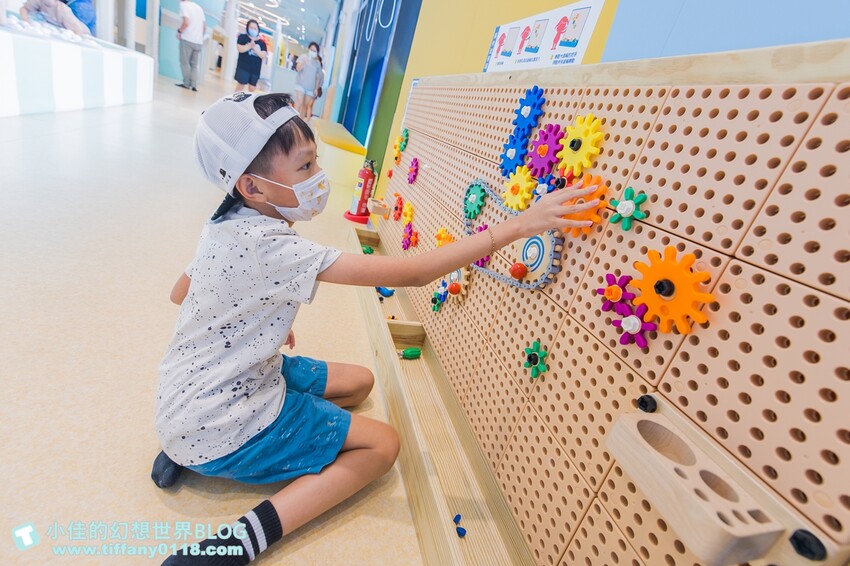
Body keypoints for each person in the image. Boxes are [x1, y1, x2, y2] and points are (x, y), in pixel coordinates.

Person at [152, 91, 600, 565]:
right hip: (224, 414)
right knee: (383, 445)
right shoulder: (275, 248)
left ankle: (187, 448)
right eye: (305, 168)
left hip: (183, 398)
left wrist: (259, 317)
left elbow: (182, 294)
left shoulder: (223, 221)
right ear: (253, 187)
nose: (318, 178)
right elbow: (412, 273)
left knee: (360, 382)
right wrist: (518, 225)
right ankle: (237, 543)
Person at [175, 0, 205, 92]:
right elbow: (204, 27)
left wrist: (179, 31)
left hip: (187, 39)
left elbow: (186, 22)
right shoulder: (199, 8)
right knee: (194, 65)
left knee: (184, 62)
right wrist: (198, 37)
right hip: (198, 41)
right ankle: (194, 85)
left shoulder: (184, 5)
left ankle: (186, 83)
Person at [19, 0, 90, 36]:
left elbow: (78, 31)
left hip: (83, 32)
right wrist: (25, 22)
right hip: (61, 28)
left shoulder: (63, 10)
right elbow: (24, 9)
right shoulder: (38, 1)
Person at [234, 20, 267, 92]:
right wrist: (249, 46)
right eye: (251, 28)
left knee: (252, 89)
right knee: (240, 86)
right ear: (247, 28)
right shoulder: (242, 37)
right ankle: (234, 101)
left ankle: (248, 102)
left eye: (255, 28)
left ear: (258, 30)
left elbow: (263, 55)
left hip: (255, 70)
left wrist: (255, 49)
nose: (253, 30)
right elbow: (240, 49)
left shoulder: (262, 43)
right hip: (243, 67)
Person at [294, 42, 322, 120]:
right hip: (300, 84)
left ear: (317, 53)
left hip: (310, 88)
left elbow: (317, 77)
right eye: (311, 50)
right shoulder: (303, 57)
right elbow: (297, 68)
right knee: (299, 102)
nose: (312, 52)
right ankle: (292, 120)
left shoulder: (317, 64)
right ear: (308, 49)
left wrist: (316, 89)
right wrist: (304, 63)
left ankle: (300, 122)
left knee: (304, 106)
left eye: (314, 51)